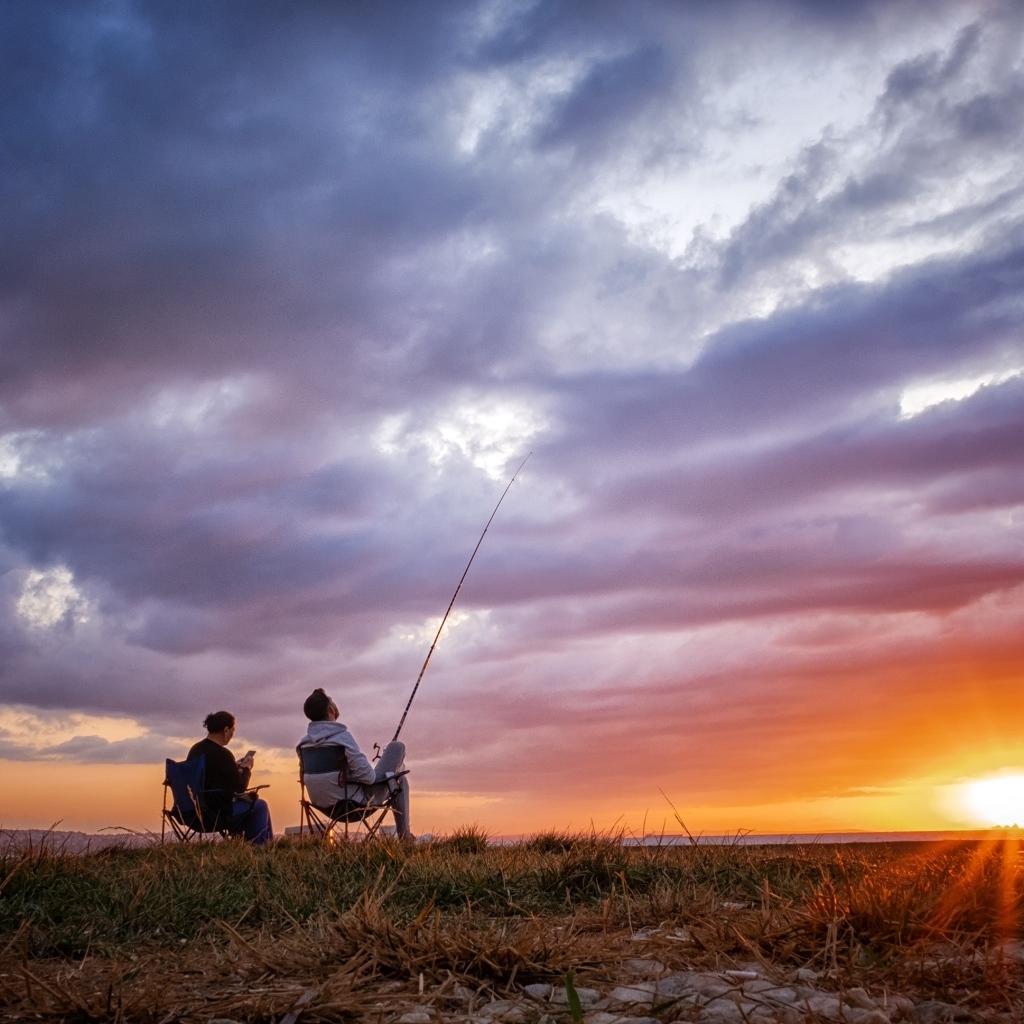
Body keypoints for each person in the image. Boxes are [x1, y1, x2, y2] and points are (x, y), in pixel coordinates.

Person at [297, 688, 412, 839]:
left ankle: (406, 837)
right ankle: (405, 838)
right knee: (396, 748)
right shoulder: (342, 738)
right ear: (331, 710)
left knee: (398, 779)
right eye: (332, 700)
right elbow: (369, 778)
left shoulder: (303, 745)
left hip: (322, 806)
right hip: (353, 805)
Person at [187, 711, 273, 845]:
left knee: (248, 807)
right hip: (214, 813)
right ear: (226, 730)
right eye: (233, 730)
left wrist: (233, 767)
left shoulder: (196, 749)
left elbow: (212, 776)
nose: (233, 735)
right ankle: (260, 848)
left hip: (191, 812)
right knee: (260, 805)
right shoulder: (223, 754)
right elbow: (240, 787)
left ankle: (245, 846)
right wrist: (246, 768)